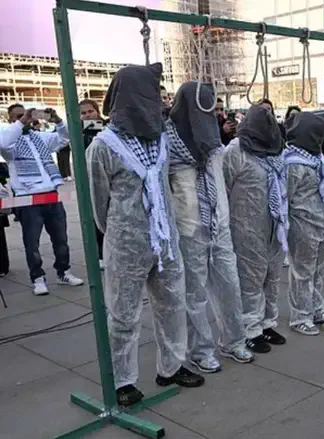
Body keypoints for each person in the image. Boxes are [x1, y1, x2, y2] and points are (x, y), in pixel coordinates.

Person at [86, 63, 204, 407]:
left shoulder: (160, 139)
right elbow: (97, 202)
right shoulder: (103, 146)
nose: (158, 100)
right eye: (151, 93)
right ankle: (123, 380)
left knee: (172, 304)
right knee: (123, 313)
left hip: (164, 241)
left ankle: (171, 366)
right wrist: (120, 235)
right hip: (127, 241)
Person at [165, 81, 254, 373]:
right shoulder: (167, 142)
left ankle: (234, 339)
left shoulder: (215, 143)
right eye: (205, 107)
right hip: (189, 229)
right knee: (194, 292)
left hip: (219, 226)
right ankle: (201, 350)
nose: (211, 114)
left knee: (230, 284)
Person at [223, 105, 288, 353]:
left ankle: (267, 323)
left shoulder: (274, 152)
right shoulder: (236, 151)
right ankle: (250, 329)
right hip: (246, 226)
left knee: (272, 277)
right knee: (250, 280)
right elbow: (225, 188)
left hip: (274, 226)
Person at [0, 104, 83, 295]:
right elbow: (3, 143)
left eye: (27, 114)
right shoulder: (9, 140)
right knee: (32, 242)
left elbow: (64, 138)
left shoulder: (39, 137)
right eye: (19, 116)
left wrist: (58, 121)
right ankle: (37, 278)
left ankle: (64, 272)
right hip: (27, 197)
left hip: (51, 193)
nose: (27, 118)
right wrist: (22, 122)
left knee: (61, 239)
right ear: (12, 120)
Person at [282, 112, 324, 335]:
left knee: (317, 270)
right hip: (302, 225)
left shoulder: (317, 159)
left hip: (321, 223)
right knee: (302, 272)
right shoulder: (292, 164)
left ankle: (315, 306)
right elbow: (285, 197)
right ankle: (300, 316)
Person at [80, 99, 107, 268]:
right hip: (91, 181)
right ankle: (100, 254)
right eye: (83, 113)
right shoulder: (80, 132)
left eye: (90, 111)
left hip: (110, 180)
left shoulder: (107, 128)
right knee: (95, 219)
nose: (87, 115)